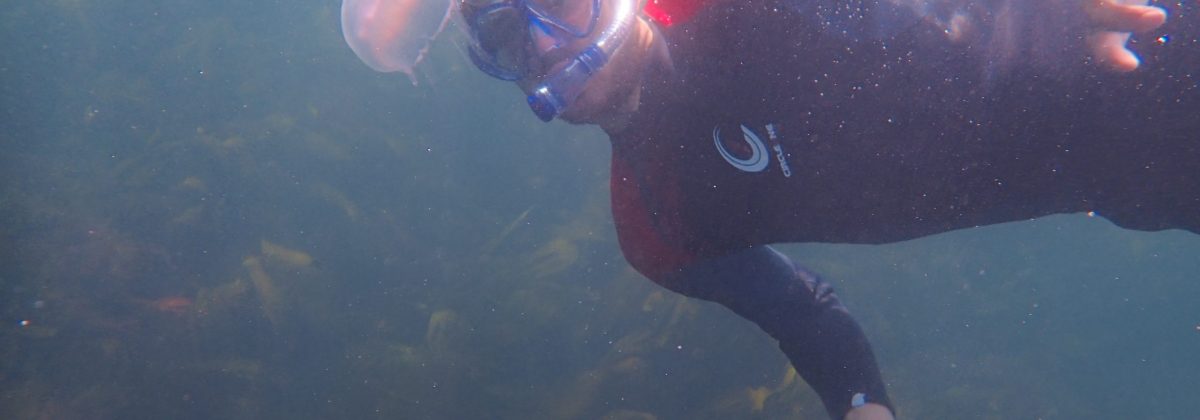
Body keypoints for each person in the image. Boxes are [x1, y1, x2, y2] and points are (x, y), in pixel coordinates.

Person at [447, 0, 1195, 418]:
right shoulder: (658, 224)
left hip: (1163, 34)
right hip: (1149, 187)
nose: (545, 44)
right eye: (506, 37)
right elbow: (803, 315)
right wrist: (859, 401)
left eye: (555, 3)